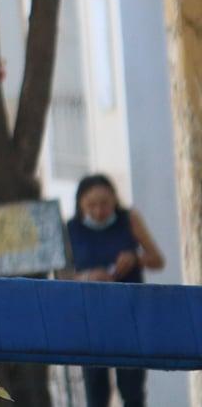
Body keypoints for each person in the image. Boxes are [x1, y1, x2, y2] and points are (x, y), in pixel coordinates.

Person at [68, 173, 165, 406]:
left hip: (130, 315)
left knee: (132, 390)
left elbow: (157, 260)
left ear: (114, 200)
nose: (99, 211)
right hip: (90, 319)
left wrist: (135, 258)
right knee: (96, 391)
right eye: (91, 205)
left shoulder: (129, 219)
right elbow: (63, 274)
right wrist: (89, 276)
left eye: (105, 204)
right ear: (81, 204)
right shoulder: (71, 228)